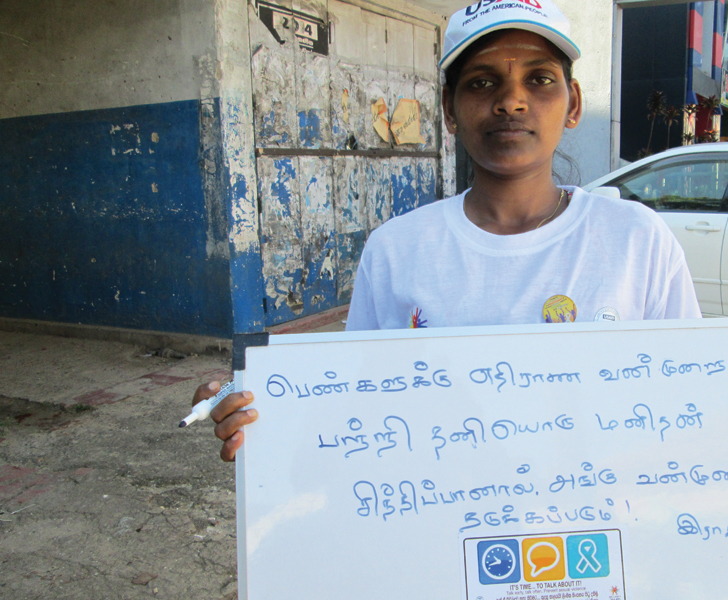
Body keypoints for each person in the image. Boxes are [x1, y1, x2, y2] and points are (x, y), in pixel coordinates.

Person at [193, 0, 701, 461]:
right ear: (449, 109)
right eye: (482, 82)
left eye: (540, 79)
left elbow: (688, 401)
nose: (511, 102)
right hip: (438, 532)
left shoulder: (636, 240)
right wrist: (256, 405)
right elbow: (356, 404)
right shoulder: (397, 248)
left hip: (592, 531)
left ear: (572, 104)